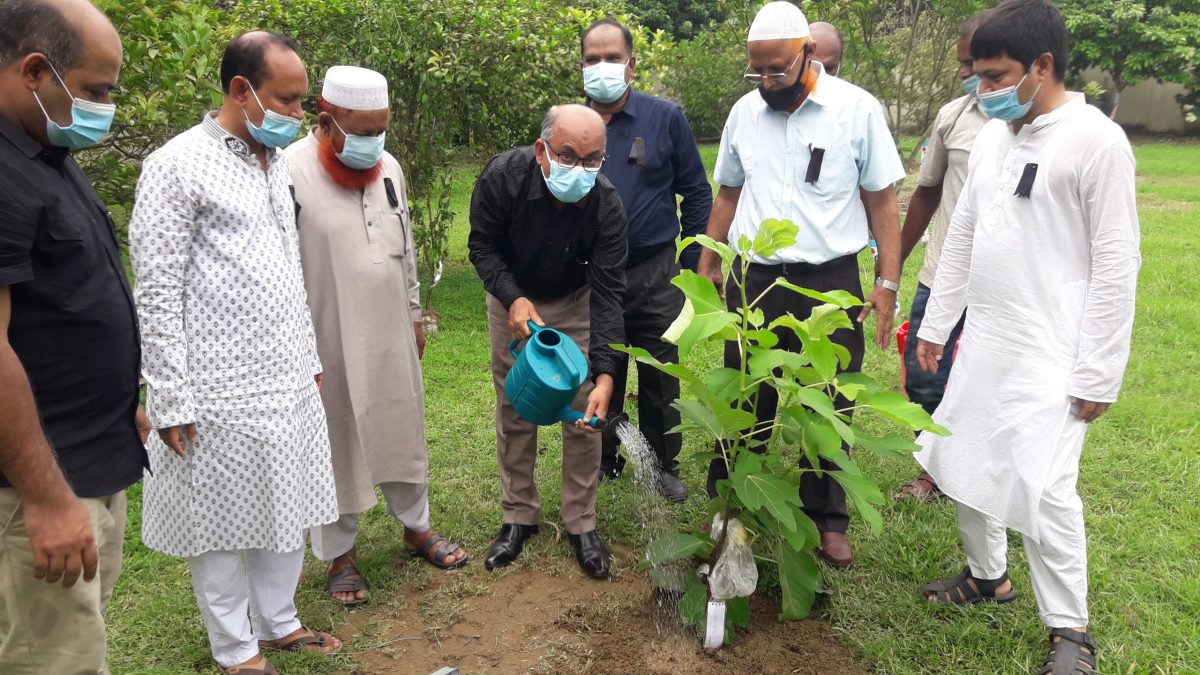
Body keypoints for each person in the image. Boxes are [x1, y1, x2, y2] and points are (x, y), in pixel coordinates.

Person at [913, 2, 1140, 673]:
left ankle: (1071, 630)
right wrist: (936, 324)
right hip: (985, 338)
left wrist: (1099, 371)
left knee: (1044, 490)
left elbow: (1117, 262)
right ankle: (987, 577)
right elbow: (964, 237)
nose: (984, 90)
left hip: (1055, 352)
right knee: (964, 458)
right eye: (977, 77)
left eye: (996, 76)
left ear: (1043, 66)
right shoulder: (991, 138)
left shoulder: (1096, 142)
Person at [130, 31, 341, 675]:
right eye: (288, 100)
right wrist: (167, 392)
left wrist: (306, 357)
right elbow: (156, 285)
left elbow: (284, 266)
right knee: (216, 521)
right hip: (213, 384)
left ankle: (277, 622)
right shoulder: (176, 165)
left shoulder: (271, 163)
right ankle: (234, 648)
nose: (298, 116)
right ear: (240, 90)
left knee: (288, 500)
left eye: (303, 102)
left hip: (284, 375)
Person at [697, 2, 904, 569]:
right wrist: (708, 260)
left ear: (808, 52)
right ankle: (731, 501)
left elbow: (882, 199)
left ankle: (827, 518)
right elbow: (728, 193)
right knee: (743, 389)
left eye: (777, 71)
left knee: (831, 395)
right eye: (756, 71)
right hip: (755, 279)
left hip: (829, 280)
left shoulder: (856, 110)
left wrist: (886, 280)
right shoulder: (744, 113)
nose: (765, 82)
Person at [0, 1, 149, 671]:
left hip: (91, 456)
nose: (104, 108)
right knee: (52, 660)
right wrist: (44, 495)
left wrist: (123, 400)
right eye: (95, 90)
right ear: (36, 70)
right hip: (43, 481)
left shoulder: (44, 151)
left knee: (74, 642)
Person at [288, 65, 468, 608]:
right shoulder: (289, 170)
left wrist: (414, 312)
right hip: (325, 329)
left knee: (400, 422)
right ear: (327, 120)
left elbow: (405, 247)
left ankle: (416, 527)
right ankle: (341, 555)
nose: (373, 141)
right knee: (335, 436)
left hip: (390, 326)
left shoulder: (388, 167)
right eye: (362, 130)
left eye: (380, 128)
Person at [469, 104, 627, 579]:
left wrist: (604, 375)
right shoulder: (503, 178)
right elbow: (481, 246)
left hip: (574, 303)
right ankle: (518, 516)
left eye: (592, 159)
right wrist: (513, 299)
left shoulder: (606, 205)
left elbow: (609, 294)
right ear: (542, 150)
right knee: (517, 405)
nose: (579, 170)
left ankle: (582, 523)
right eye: (567, 155)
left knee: (584, 414)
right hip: (512, 301)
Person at [580, 18, 712, 499]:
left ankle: (662, 465)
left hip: (657, 269)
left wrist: (695, 262)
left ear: (631, 65)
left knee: (660, 373)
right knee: (600, 366)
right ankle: (606, 455)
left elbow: (696, 194)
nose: (602, 67)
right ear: (581, 66)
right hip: (593, 276)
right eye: (592, 59)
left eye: (612, 57)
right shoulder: (571, 123)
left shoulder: (665, 118)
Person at [892, 15, 990, 502]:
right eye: (962, 64)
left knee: (985, 386)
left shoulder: (1032, 127)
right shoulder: (954, 116)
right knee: (925, 374)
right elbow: (926, 193)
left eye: (972, 63)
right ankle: (934, 471)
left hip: (1000, 289)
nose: (964, 73)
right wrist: (896, 261)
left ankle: (981, 475)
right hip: (942, 276)